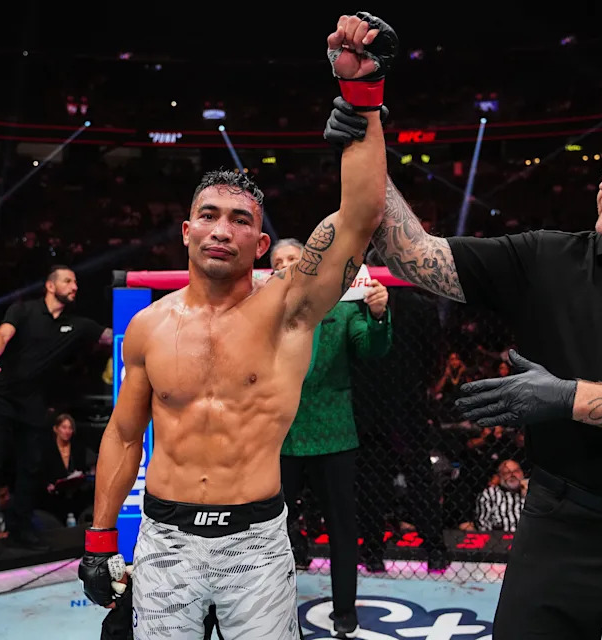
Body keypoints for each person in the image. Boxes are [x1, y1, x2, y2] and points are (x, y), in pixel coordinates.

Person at [324, 104, 602, 639]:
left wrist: (567, 398)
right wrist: (364, 140)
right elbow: (411, 255)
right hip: (561, 529)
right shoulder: (548, 257)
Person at [79, 13, 397, 639]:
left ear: (260, 243)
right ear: (187, 231)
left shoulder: (288, 310)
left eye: (239, 219)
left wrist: (363, 97)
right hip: (165, 539)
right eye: (208, 215)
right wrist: (98, 537)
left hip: (255, 543)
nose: (221, 229)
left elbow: (360, 216)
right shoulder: (148, 327)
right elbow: (123, 434)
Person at [270, 238, 392, 633]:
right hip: (281, 435)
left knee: (341, 527)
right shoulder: (263, 311)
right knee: (271, 529)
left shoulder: (341, 305)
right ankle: (270, 607)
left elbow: (370, 348)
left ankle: (345, 611)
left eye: (293, 259)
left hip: (333, 434)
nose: (285, 266)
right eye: (278, 261)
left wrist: (378, 315)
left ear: (308, 263)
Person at [0, 265, 111, 567]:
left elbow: (112, 337)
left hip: (34, 402)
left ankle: (21, 530)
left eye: (76, 281)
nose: (74, 286)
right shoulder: (23, 310)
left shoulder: (77, 324)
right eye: (68, 281)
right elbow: (3, 332)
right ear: (50, 286)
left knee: (31, 466)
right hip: (1, 397)